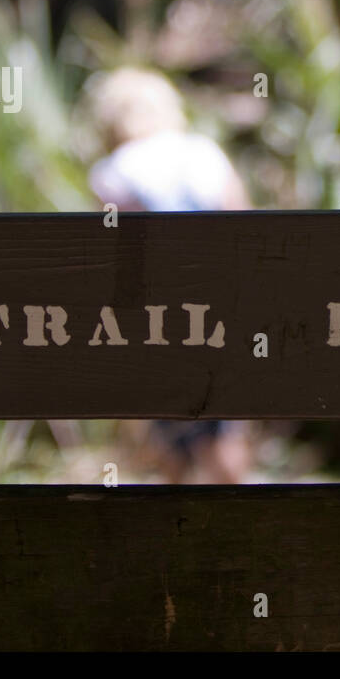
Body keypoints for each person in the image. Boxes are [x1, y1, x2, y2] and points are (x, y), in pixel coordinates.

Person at [85, 66, 252, 483]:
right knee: (221, 436)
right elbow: (248, 234)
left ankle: (175, 521)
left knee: (170, 439)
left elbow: (113, 265)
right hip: (219, 316)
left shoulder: (112, 171)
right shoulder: (204, 153)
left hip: (158, 326)